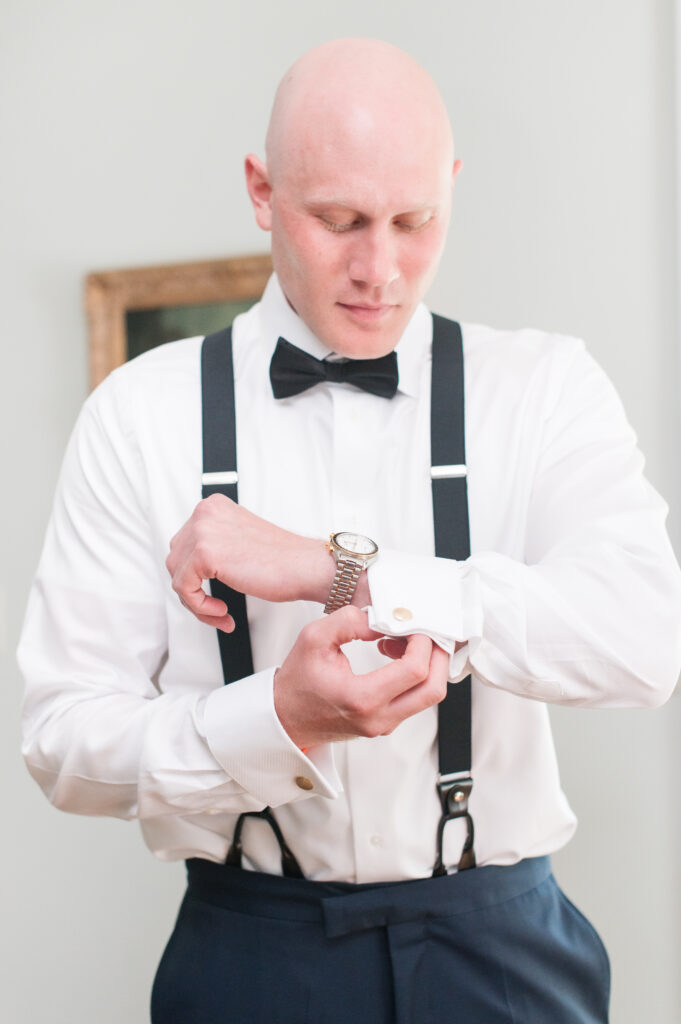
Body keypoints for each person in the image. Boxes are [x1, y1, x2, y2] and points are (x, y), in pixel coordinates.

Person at [19, 37, 681, 1024]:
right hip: (250, 950)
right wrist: (272, 718)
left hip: (503, 948)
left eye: (415, 220)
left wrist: (340, 572)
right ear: (260, 189)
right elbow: (62, 740)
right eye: (338, 221)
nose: (380, 267)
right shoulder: (135, 414)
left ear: (452, 185)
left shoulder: (546, 388)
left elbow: (646, 642)